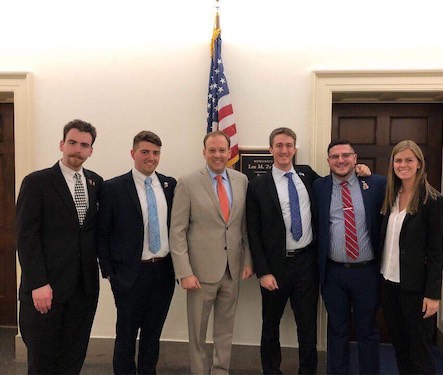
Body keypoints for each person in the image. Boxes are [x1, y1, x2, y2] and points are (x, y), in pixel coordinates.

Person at [17, 119, 103, 374]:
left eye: (84, 145)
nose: (77, 149)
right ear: (61, 144)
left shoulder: (96, 183)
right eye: (72, 142)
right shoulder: (37, 182)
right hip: (47, 290)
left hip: (83, 289)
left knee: (73, 357)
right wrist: (38, 282)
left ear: (90, 151)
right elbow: (26, 237)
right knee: (43, 360)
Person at [169, 131, 254, 375]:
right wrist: (184, 272)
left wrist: (248, 260)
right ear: (203, 152)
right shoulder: (187, 182)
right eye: (212, 150)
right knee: (197, 333)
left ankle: (220, 371)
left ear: (230, 153)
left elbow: (244, 226)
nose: (217, 155)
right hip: (199, 273)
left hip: (232, 270)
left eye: (222, 150)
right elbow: (177, 231)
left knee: (225, 330)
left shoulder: (241, 181)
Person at [97, 131, 176, 374]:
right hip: (129, 274)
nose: (150, 157)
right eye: (145, 152)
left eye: (155, 153)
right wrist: (109, 272)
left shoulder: (169, 185)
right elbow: (102, 233)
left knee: (153, 334)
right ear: (133, 153)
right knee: (126, 335)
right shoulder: (113, 188)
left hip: (162, 271)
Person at [245, 127, 320, 374]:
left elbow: (335, 185)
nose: (284, 150)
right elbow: (252, 232)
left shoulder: (307, 174)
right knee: (270, 326)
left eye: (289, 145)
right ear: (271, 150)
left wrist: (360, 171)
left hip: (306, 263)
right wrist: (263, 272)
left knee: (307, 327)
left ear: (294, 149)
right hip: (274, 267)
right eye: (279, 145)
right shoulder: (257, 186)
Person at [313, 139, 386, 374]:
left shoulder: (376, 184)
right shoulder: (319, 187)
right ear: (328, 161)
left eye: (346, 155)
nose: (340, 160)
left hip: (367, 272)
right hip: (333, 273)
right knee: (337, 330)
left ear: (355, 159)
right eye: (335, 157)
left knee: (367, 330)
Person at [380, 140, 443, 375]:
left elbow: (436, 253)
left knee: (420, 351)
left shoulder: (434, 202)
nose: (403, 165)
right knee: (400, 347)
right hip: (389, 286)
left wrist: (433, 294)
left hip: (416, 290)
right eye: (398, 160)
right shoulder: (390, 197)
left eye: (409, 160)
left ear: (419, 164)